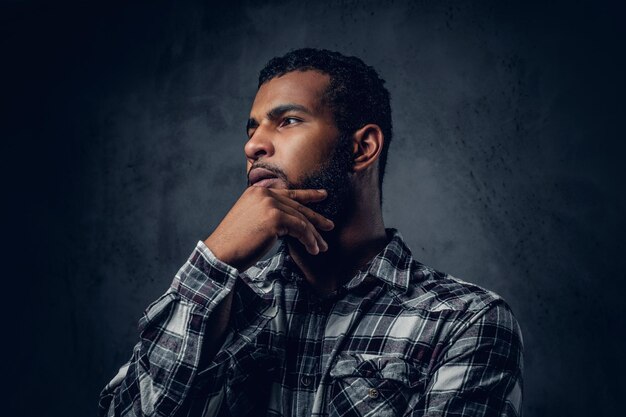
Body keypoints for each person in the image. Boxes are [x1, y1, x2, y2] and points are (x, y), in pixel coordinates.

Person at [98, 48, 523, 417]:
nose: (254, 146)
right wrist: (214, 265)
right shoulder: (226, 304)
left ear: (361, 148)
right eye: (253, 127)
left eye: (287, 121)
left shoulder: (462, 321)